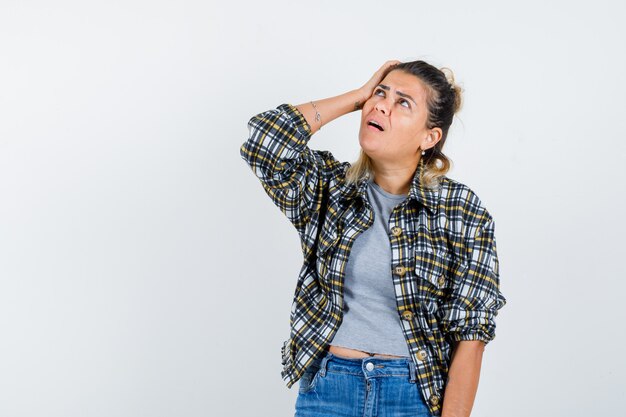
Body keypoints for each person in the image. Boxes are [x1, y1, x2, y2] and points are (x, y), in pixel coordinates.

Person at [240, 59, 507, 417]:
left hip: (410, 396)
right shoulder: (330, 189)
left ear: (430, 137)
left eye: (403, 103)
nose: (381, 105)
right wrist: (357, 97)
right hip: (329, 391)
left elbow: (471, 338)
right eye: (381, 94)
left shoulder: (461, 210)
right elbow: (265, 142)